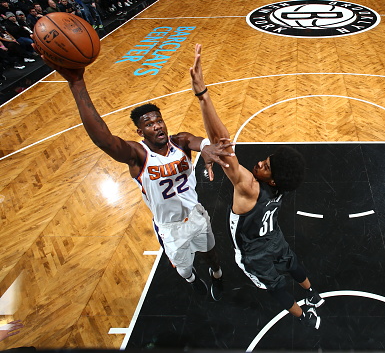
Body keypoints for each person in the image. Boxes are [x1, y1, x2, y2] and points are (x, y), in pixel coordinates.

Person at [34, 48, 230, 302]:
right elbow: (104, 140)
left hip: (195, 214)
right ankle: (193, 281)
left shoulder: (179, 142)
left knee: (210, 252)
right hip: (169, 228)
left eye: (158, 120)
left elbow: (196, 140)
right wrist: (76, 83)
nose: (157, 125)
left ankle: (217, 274)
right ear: (140, 131)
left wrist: (206, 148)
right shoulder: (138, 154)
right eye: (149, 123)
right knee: (183, 269)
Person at [190, 44, 325, 329]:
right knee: (291, 261)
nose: (260, 164)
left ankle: (304, 317)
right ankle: (313, 293)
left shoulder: (249, 187)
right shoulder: (284, 185)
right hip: (273, 235)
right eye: (264, 159)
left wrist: (203, 96)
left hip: (253, 252)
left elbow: (223, 143)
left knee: (274, 285)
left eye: (266, 166)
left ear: (272, 180)